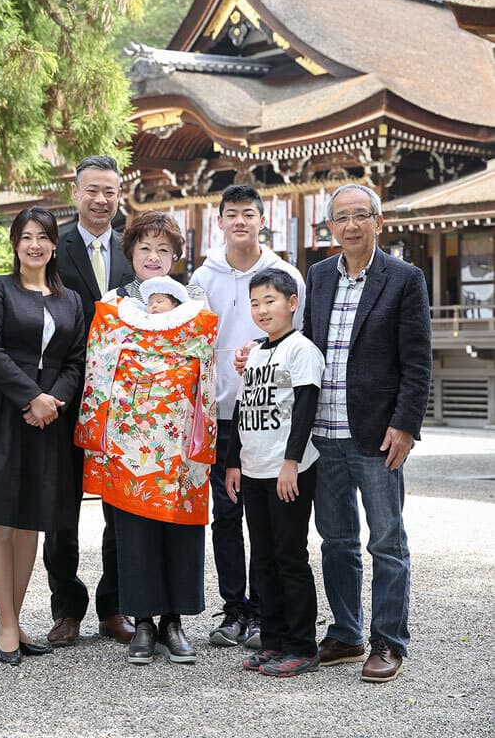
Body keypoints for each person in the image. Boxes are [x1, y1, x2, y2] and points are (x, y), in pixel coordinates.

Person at [303, 183, 431, 683]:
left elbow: (417, 363)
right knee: (336, 541)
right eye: (341, 218)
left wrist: (406, 425)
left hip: (378, 434)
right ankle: (346, 632)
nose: (351, 225)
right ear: (330, 226)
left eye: (361, 216)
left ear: (378, 222)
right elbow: (307, 347)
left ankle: (388, 640)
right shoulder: (317, 276)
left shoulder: (404, 278)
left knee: (387, 542)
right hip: (324, 432)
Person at [76, 221, 217, 666]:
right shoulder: (114, 304)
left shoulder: (194, 303)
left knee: (178, 528)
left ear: (175, 255)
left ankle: (173, 621)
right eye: (144, 248)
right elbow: (98, 364)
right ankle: (141, 621)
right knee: (132, 532)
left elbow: (205, 364)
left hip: (178, 439)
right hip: (128, 439)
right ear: (130, 254)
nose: (153, 256)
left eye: (162, 249)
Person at [0, 207, 85, 665]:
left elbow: (76, 361)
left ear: (55, 245)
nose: (34, 244)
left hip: (50, 421)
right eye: (26, 236)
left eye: (43, 237)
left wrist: (52, 401)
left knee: (33, 519)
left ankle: (13, 618)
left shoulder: (69, 299)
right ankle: (8, 626)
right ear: (14, 244)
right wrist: (29, 398)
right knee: (2, 519)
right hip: (6, 414)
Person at [190, 184, 305, 649]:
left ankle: (265, 608)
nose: (240, 221)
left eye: (249, 214)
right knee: (225, 514)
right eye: (231, 214)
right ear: (219, 222)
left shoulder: (284, 274)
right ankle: (234, 607)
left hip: (271, 414)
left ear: (263, 220)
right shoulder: (204, 277)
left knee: (266, 516)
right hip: (219, 412)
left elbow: (300, 342)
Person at [47, 155, 135, 648]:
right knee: (61, 509)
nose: (102, 200)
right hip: (65, 396)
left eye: (110, 191)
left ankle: (114, 605)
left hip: (124, 404)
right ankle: (66, 608)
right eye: (92, 190)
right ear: (75, 192)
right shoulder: (52, 246)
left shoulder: (133, 248)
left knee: (118, 509)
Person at [225, 268, 324, 678]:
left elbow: (304, 411)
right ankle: (274, 640)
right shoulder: (254, 351)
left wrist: (291, 464)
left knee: (289, 557)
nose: (262, 309)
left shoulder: (302, 350)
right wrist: (233, 462)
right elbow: (242, 408)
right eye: (255, 303)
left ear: (292, 302)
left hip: (288, 471)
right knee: (263, 558)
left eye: (270, 300)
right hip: (254, 469)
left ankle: (302, 645)